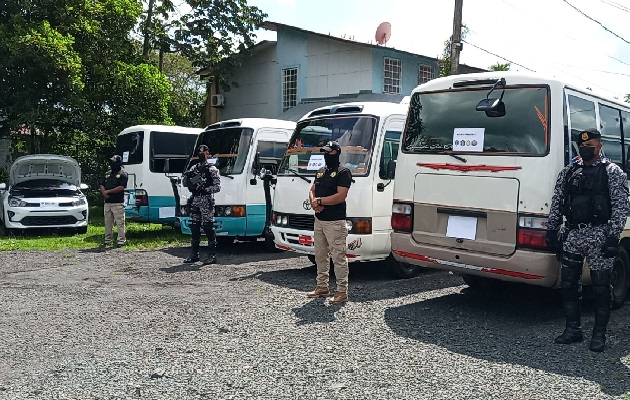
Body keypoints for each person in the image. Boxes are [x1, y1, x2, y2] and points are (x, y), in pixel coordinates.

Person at [546, 128, 629, 352]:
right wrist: (552, 229)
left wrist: (613, 236)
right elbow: (557, 200)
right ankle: (573, 329)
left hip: (599, 236)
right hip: (573, 234)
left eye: (589, 145)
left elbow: (621, 207)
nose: (585, 148)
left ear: (599, 146)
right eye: (582, 145)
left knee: (602, 287)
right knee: (569, 284)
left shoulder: (612, 172)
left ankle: (599, 335)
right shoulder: (569, 171)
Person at [306, 141, 353, 304]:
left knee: (338, 257)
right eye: (324, 152)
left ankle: (341, 291)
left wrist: (320, 201)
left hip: (335, 222)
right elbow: (312, 190)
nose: (326, 155)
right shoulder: (320, 171)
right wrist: (314, 202)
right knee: (320, 255)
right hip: (319, 220)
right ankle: (322, 286)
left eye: (329, 152)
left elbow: (341, 196)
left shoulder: (343, 172)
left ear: (337, 153)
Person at [182, 144, 221, 264]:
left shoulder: (212, 169)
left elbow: (217, 187)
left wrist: (205, 189)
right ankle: (194, 255)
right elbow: (185, 183)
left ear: (208, 153)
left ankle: (212, 255)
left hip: (206, 200)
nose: (202, 154)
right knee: (195, 226)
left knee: (208, 227)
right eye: (200, 152)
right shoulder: (195, 168)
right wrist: (187, 176)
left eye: (204, 152)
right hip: (195, 200)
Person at [100, 155, 128, 247]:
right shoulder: (107, 173)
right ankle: (108, 241)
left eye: (114, 162)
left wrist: (109, 191)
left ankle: (121, 241)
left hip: (117, 202)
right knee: (108, 223)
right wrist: (104, 192)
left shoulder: (123, 174)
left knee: (120, 223)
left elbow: (121, 187)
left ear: (118, 163)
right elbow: (102, 184)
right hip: (107, 203)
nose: (112, 164)